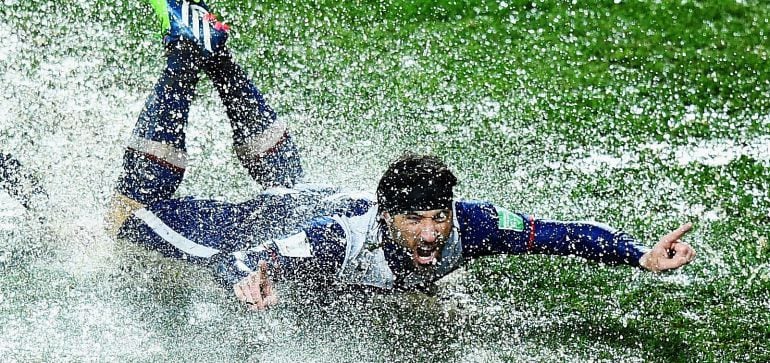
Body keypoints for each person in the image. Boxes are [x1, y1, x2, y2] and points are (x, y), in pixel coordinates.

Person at [108, 0, 696, 311]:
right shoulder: (334, 241)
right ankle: (186, 60)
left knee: (288, 179)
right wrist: (246, 280)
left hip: (314, 197)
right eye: (415, 219)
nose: (431, 232)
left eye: (438, 215)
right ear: (388, 216)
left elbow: (558, 234)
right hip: (278, 218)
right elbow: (249, 259)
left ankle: (216, 55)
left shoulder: (474, 226)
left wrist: (638, 254)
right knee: (126, 218)